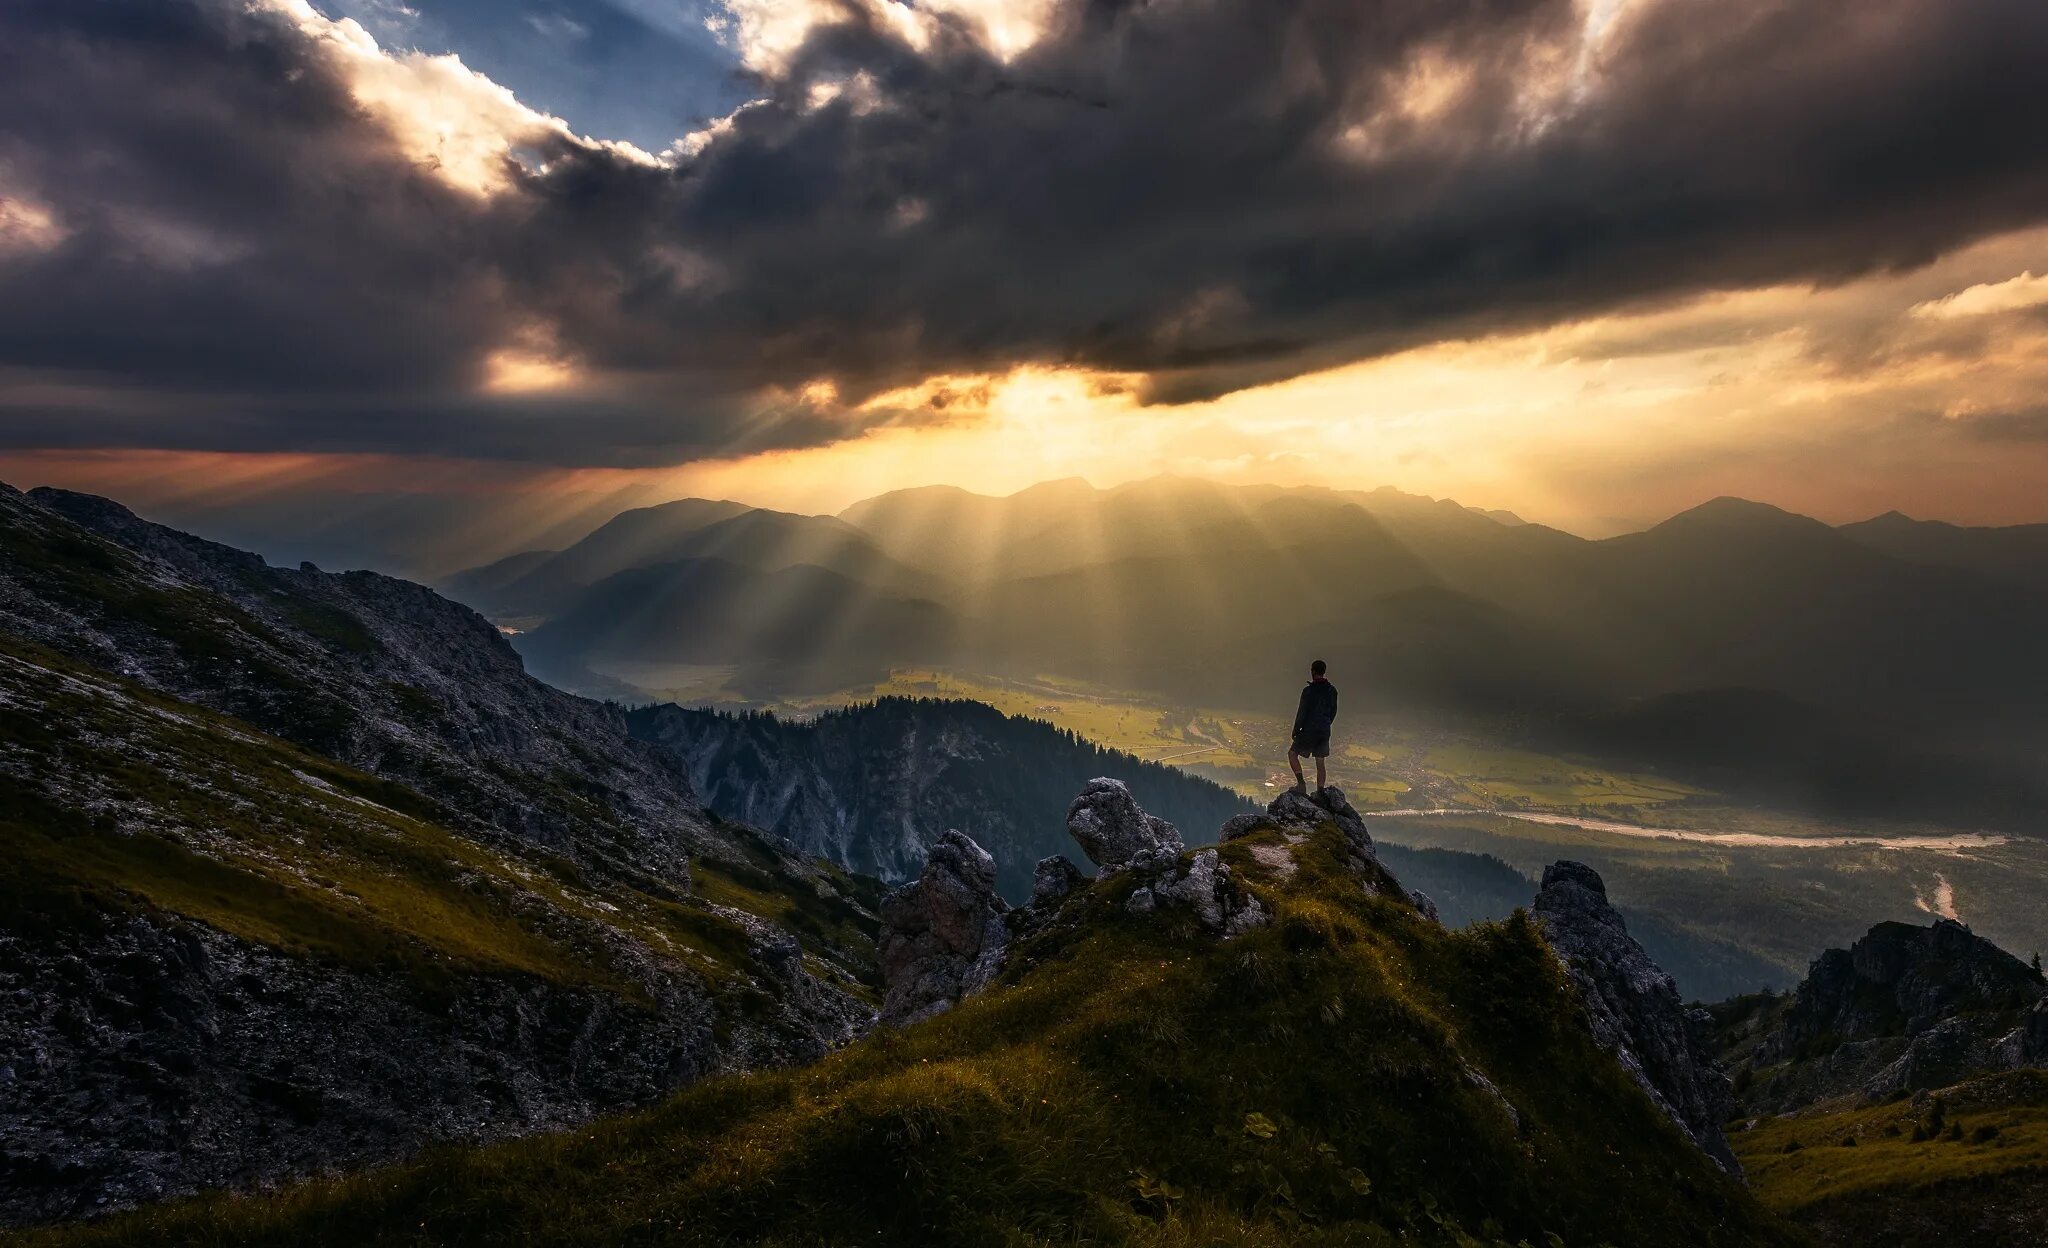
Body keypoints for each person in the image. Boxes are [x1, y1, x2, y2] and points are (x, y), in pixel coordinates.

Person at [1289, 659, 1337, 793]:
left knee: (1292, 754)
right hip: (1324, 729)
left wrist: (1296, 729)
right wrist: (1326, 724)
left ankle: (1301, 784)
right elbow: (1333, 712)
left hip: (1310, 729)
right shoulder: (1332, 691)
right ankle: (1320, 792)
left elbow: (1302, 712)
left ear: (1313, 671)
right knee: (1320, 762)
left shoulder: (1308, 691)